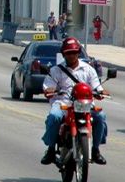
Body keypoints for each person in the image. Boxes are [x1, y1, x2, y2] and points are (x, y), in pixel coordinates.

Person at [41, 37, 109, 165]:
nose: (71, 55)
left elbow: (97, 86)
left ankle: (95, 149)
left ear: (78, 53)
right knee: (54, 116)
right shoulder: (56, 70)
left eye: (74, 52)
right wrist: (50, 90)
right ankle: (50, 149)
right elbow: (48, 86)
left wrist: (101, 92)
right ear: (63, 54)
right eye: (68, 53)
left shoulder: (88, 69)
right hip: (64, 104)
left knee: (100, 116)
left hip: (85, 104)